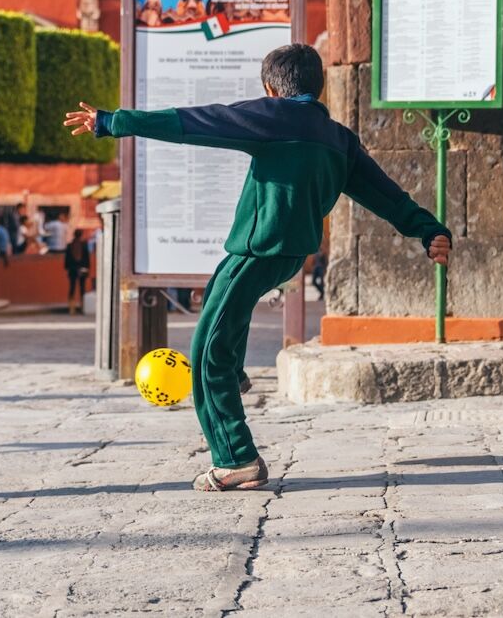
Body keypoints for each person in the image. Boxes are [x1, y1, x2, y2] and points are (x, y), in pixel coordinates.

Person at [64, 43, 451, 492]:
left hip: (258, 251)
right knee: (216, 297)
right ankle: (239, 373)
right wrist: (428, 229)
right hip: (287, 252)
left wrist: (114, 121)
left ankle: (235, 458)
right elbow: (385, 195)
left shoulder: (273, 117)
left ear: (271, 88)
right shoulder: (338, 138)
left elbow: (194, 121)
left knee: (208, 357)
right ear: (318, 86)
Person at [62, 229, 90, 314]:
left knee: (72, 288)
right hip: (82, 269)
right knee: (82, 288)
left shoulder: (70, 246)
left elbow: (66, 260)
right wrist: (87, 268)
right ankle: (83, 307)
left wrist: (67, 268)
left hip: (72, 269)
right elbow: (87, 259)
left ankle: (71, 308)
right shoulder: (84, 245)